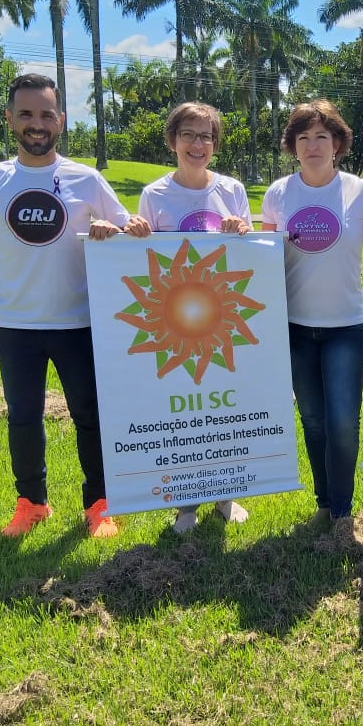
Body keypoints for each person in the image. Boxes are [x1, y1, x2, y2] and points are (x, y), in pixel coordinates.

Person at [0, 73, 151, 539]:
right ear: (10, 119)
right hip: (16, 324)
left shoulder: (87, 179)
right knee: (23, 416)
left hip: (81, 323)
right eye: (26, 114)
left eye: (46, 114)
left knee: (90, 414)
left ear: (61, 120)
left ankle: (100, 504)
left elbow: (132, 234)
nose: (36, 123)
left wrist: (117, 230)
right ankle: (32, 504)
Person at [261, 100, 363, 525]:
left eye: (321, 137)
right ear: (292, 146)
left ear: (337, 143)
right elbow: (261, 260)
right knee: (312, 420)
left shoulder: (361, 192)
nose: (312, 146)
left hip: (345, 329)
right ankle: (324, 504)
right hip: (295, 328)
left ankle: (344, 511)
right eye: (303, 138)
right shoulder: (279, 193)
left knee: (342, 423)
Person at [138, 102, 252, 533]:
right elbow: (141, 261)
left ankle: (225, 496)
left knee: (222, 409)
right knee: (181, 414)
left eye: (206, 136)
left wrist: (243, 232)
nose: (197, 144)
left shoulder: (232, 189)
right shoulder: (154, 194)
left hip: (222, 320)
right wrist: (135, 230)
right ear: (172, 140)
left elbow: (247, 257)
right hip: (174, 324)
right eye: (188, 134)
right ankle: (185, 506)